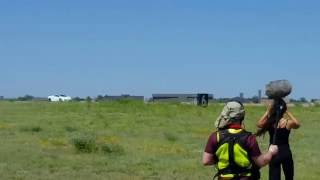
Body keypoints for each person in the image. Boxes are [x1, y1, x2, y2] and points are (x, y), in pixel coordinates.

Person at [203, 101, 279, 180]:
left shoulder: (215, 136)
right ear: (242, 116)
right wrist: (271, 152)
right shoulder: (249, 138)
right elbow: (261, 162)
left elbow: (206, 161)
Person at [256, 99, 300, 180]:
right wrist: (288, 112)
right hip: (285, 151)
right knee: (289, 176)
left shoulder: (270, 123)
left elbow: (259, 124)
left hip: (273, 152)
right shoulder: (288, 123)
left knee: (274, 177)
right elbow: (297, 124)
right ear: (284, 109)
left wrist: (268, 111)